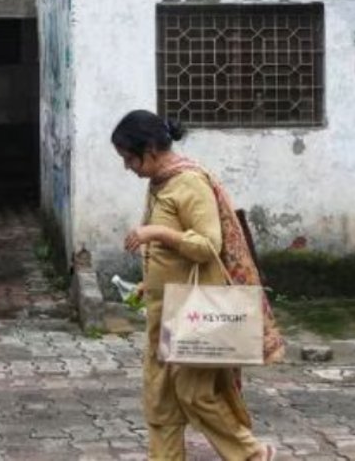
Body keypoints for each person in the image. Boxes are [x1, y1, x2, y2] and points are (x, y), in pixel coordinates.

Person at [113, 109, 282, 461]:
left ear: (150, 150)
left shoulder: (189, 183)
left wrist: (155, 232)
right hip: (165, 312)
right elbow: (169, 257)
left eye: (129, 158)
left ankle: (252, 454)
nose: (127, 167)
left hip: (193, 313)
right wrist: (147, 283)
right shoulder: (160, 184)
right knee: (160, 403)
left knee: (194, 394)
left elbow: (207, 245)